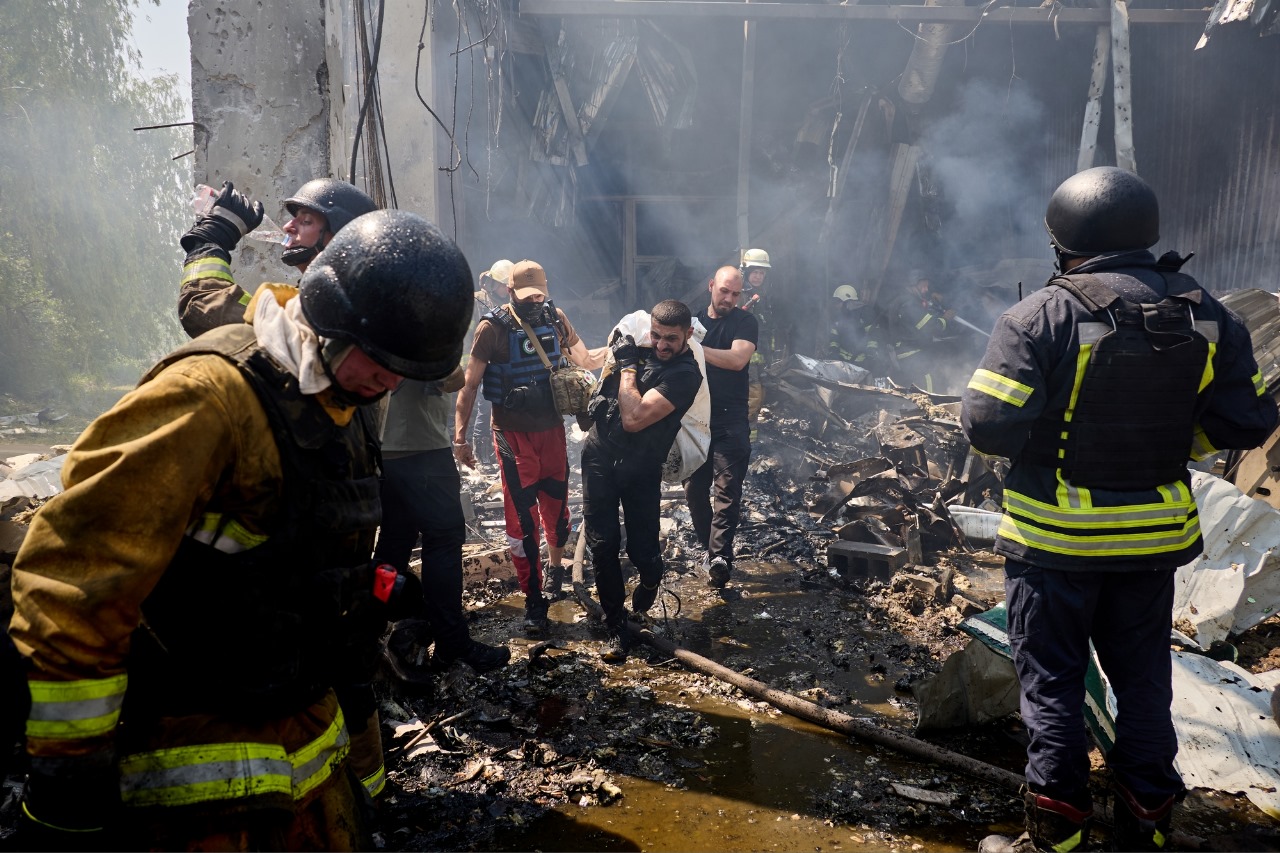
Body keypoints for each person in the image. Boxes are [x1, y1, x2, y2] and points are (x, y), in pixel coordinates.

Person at [9, 210, 475, 850]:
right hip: (189, 763)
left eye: (405, 371)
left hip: (301, 730)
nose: (390, 382)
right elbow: (73, 582)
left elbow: (313, 581)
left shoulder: (348, 403)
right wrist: (68, 782)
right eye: (383, 362)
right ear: (331, 318)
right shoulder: (208, 397)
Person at [963, 167, 1278, 853]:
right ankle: (1146, 831)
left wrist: (1048, 437)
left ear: (1064, 239)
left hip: (1053, 547)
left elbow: (987, 424)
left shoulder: (1038, 316)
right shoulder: (1209, 315)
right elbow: (1249, 419)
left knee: (1053, 690)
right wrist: (1169, 439)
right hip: (1150, 545)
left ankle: (1055, 841)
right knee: (1143, 688)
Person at [173, 176, 389, 802]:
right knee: (347, 651)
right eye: (288, 220)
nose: (289, 229)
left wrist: (211, 238)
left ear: (339, 234)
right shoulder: (355, 304)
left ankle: (343, 797)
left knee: (327, 655)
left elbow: (206, 308)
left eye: (305, 220)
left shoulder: (310, 315)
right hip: (346, 507)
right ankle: (366, 797)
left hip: (310, 521)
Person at [453, 260, 598, 635]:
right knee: (522, 521)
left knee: (558, 511)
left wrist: (626, 348)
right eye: (527, 294)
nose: (535, 300)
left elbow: (586, 360)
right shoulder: (492, 328)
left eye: (540, 293)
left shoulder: (555, 317)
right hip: (512, 437)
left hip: (552, 431)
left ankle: (555, 568)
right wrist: (460, 438)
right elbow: (469, 386)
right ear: (511, 291)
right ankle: (533, 599)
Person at [582, 300, 703, 662]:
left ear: (688, 336)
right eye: (656, 335)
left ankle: (651, 577)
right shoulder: (639, 346)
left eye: (671, 338)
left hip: (641, 469)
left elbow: (634, 418)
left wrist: (629, 367)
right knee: (602, 545)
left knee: (642, 551)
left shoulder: (685, 374)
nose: (662, 345)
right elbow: (597, 368)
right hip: (600, 455)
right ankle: (617, 627)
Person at [375, 371, 512, 678]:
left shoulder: (367, 326)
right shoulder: (420, 325)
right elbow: (449, 379)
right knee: (443, 542)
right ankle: (453, 643)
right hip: (422, 448)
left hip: (382, 449)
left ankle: (372, 619)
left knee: (393, 544)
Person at [179, 177, 377, 337]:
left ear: (340, 238)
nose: (287, 227)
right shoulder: (320, 301)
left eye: (306, 221)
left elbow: (203, 311)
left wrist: (208, 244)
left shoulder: (324, 310)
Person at [685, 266, 758, 588]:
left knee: (727, 488)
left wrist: (695, 348)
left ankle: (721, 557)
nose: (728, 298)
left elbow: (737, 360)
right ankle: (709, 549)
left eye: (735, 294)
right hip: (696, 419)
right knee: (694, 490)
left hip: (731, 418)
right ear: (711, 285)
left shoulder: (745, 321)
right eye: (724, 291)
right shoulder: (693, 324)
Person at [470, 259, 515, 465]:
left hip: (503, 361)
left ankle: (504, 449)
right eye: (503, 284)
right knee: (485, 404)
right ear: (493, 282)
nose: (506, 289)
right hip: (482, 359)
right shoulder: (477, 301)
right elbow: (468, 334)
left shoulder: (512, 300)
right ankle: (481, 453)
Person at [885, 271, 953, 392]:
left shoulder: (903, 300)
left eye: (927, 286)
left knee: (921, 385)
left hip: (909, 353)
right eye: (923, 286)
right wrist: (945, 319)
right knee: (929, 382)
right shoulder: (909, 303)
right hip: (912, 353)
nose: (926, 290)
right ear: (912, 285)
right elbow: (932, 327)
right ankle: (932, 408)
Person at [740, 247, 772, 430]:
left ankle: (750, 435)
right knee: (753, 394)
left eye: (761, 273)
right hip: (746, 356)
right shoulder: (741, 294)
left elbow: (766, 327)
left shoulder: (761, 295)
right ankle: (744, 433)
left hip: (760, 355)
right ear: (746, 272)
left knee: (761, 393)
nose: (758, 276)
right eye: (755, 272)